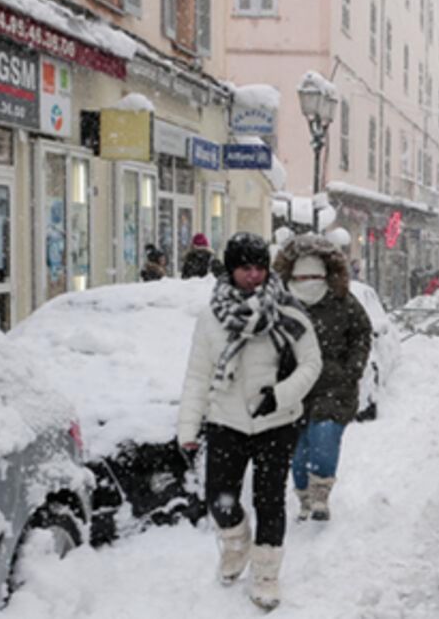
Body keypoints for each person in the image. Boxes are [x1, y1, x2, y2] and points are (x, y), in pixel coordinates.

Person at [176, 232, 323, 610]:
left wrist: (279, 395)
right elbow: (197, 375)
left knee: (269, 500)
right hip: (226, 421)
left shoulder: (286, 312)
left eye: (260, 268)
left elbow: (311, 364)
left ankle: (266, 575)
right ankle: (237, 544)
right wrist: (188, 428)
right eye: (245, 268)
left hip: (277, 422)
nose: (254, 276)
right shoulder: (212, 318)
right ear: (231, 270)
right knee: (220, 499)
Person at [273, 234, 372, 522]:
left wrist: (352, 369)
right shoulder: (281, 303)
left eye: (315, 275)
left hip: (334, 385)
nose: (309, 282)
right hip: (294, 386)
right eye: (302, 276)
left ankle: (320, 494)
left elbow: (361, 334)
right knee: (300, 447)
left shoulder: (342, 301)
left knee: (324, 435)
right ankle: (303, 494)